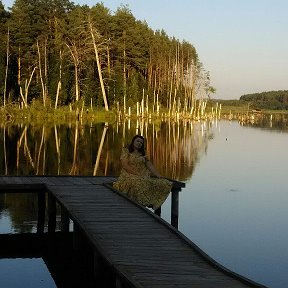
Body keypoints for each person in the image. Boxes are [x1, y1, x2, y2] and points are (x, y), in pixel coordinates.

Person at [113, 135, 172, 210]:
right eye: (137, 141)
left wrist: (158, 175)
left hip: (142, 175)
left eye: (141, 142)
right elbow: (125, 165)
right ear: (133, 141)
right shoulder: (126, 150)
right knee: (138, 182)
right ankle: (140, 204)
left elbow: (150, 166)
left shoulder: (143, 154)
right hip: (128, 174)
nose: (139, 143)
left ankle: (152, 202)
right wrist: (137, 174)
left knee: (164, 183)